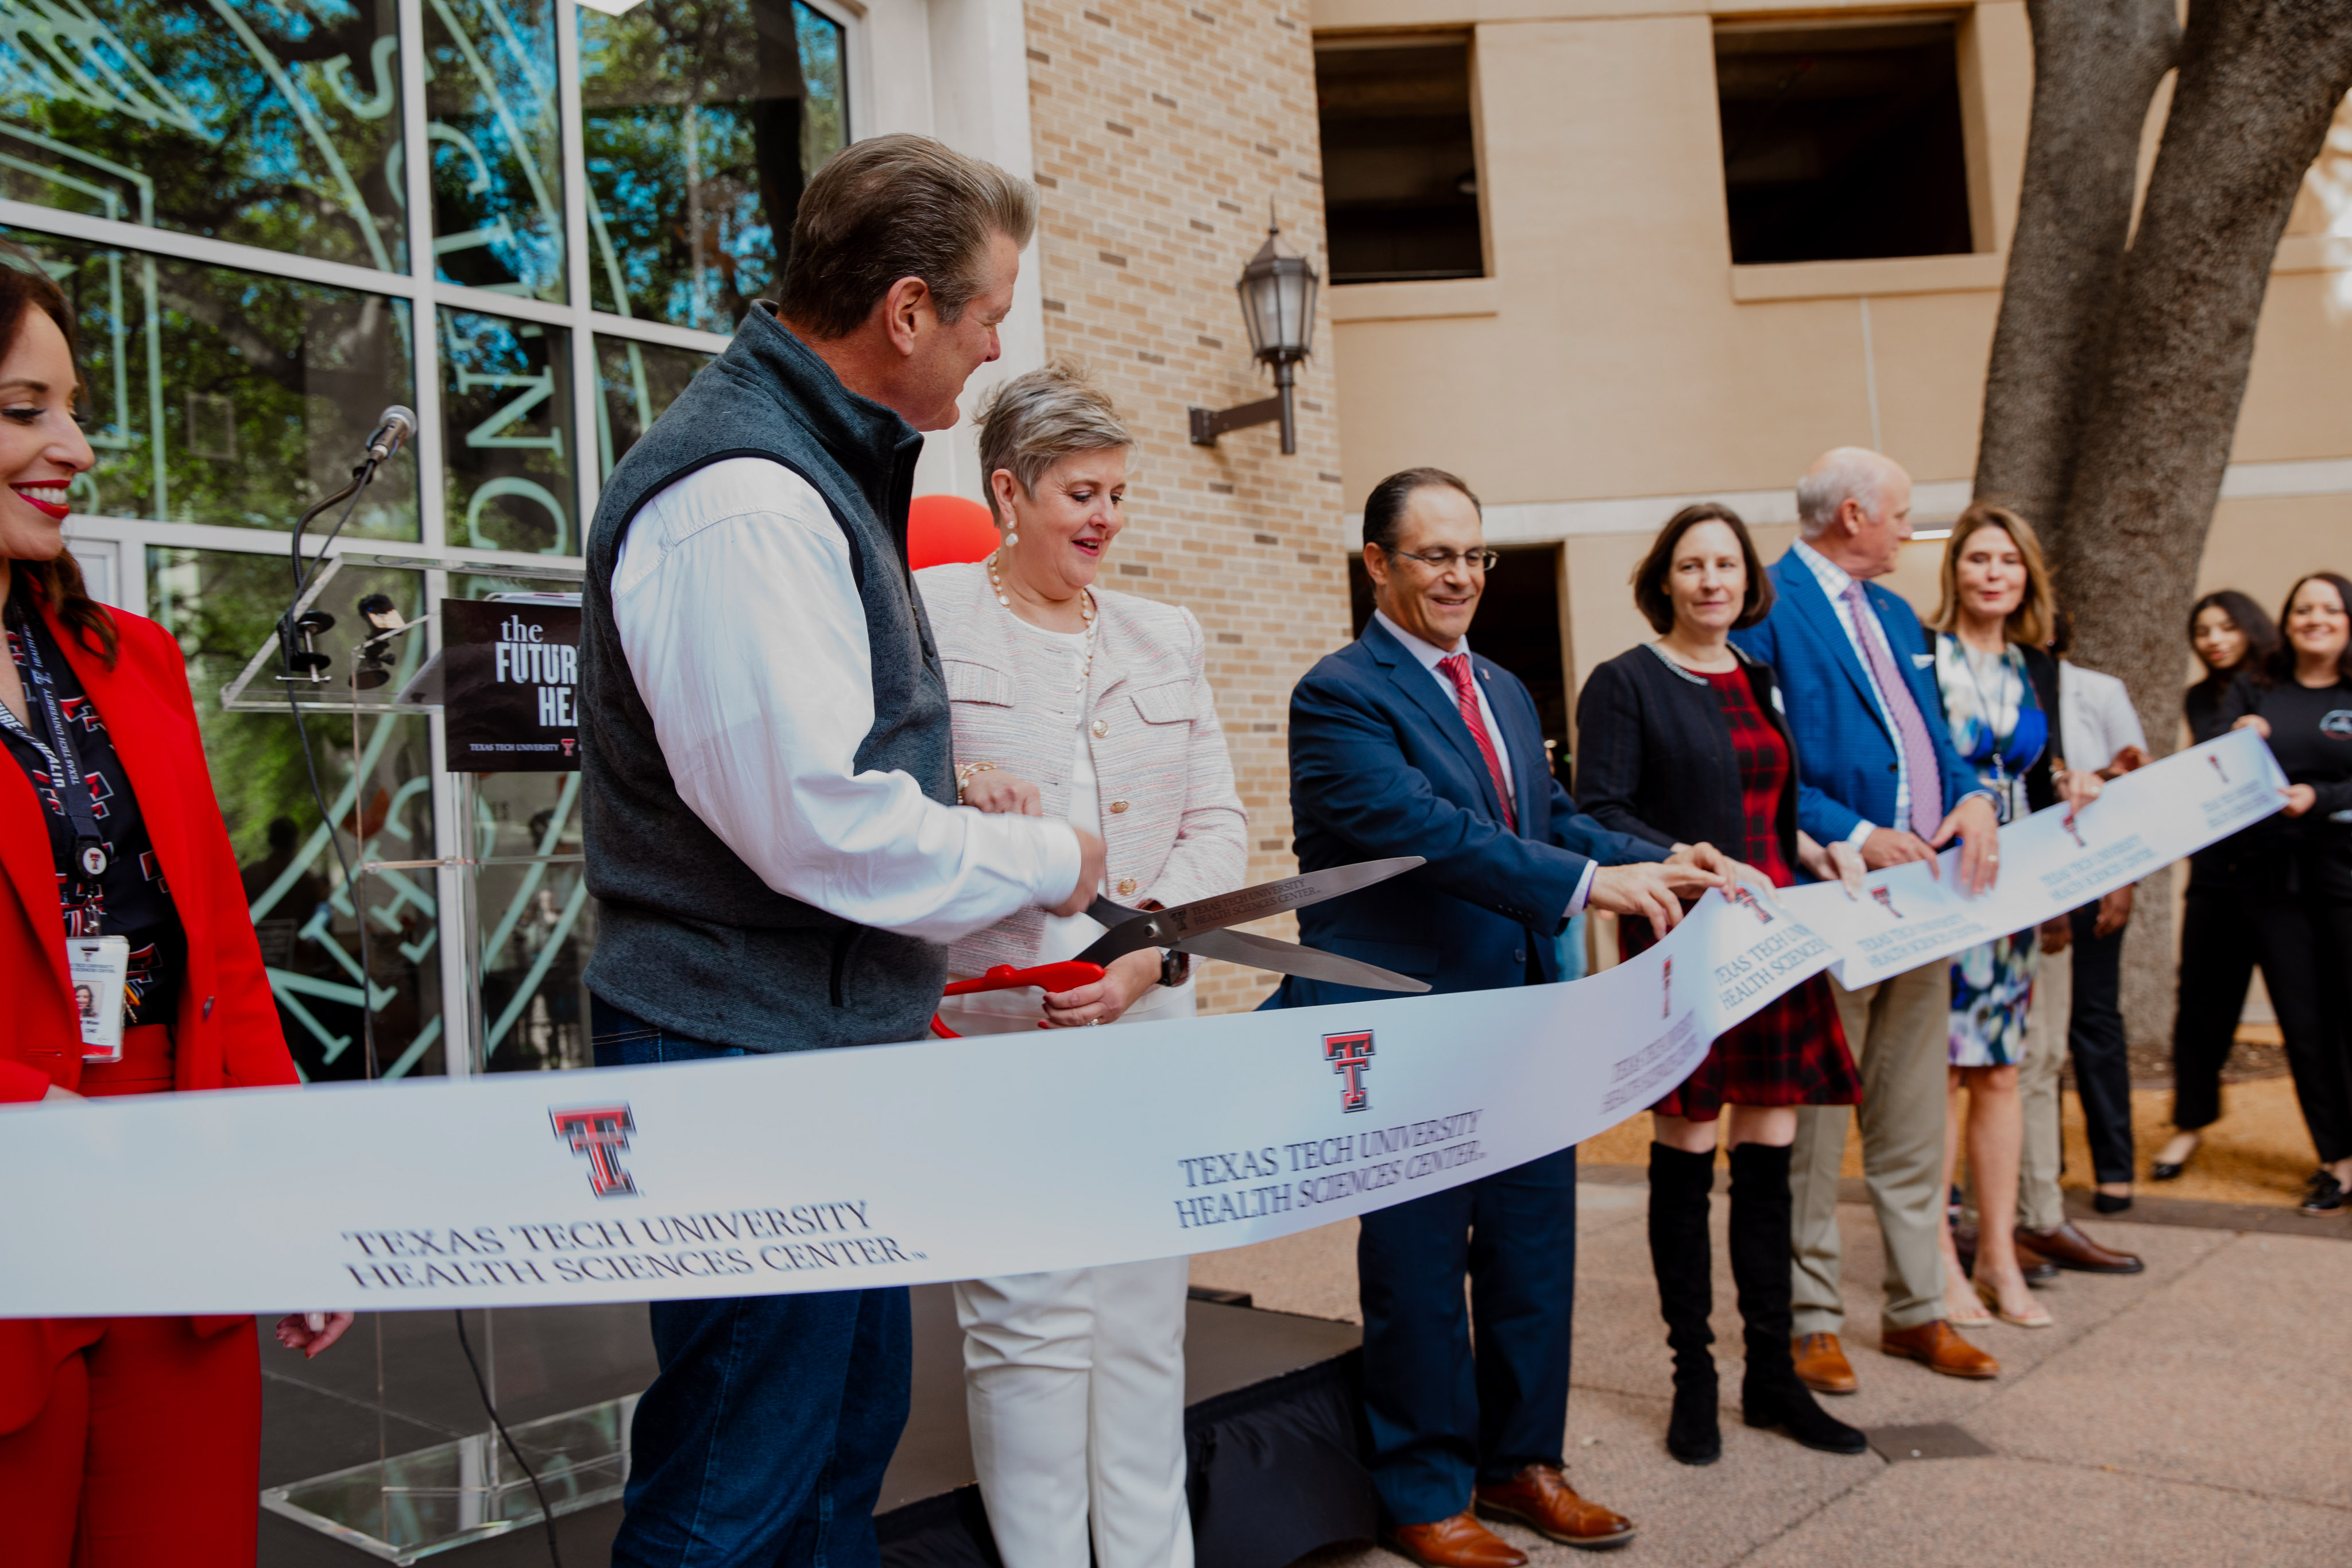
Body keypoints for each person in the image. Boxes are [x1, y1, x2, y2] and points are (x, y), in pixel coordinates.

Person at [576, 136, 1107, 1568]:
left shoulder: (814, 464)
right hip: (742, 1055)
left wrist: (948, 790)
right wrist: (1049, 858)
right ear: (909, 310)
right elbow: (810, 822)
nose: (999, 347)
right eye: (990, 313)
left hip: (810, 1051)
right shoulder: (744, 494)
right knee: (734, 1487)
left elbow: (827, 779)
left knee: (834, 1456)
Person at [1279, 466, 1725, 1568]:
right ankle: (1424, 1491)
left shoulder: (1508, 691)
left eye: (1474, 555)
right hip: (1413, 1025)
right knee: (1421, 1264)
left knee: (1533, 1250)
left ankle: (1523, 1462)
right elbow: (1424, 827)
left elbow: (1552, 815)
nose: (1460, 577)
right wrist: (1584, 889)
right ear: (1377, 564)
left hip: (1527, 1015)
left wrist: (1658, 859)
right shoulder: (1338, 695)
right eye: (1435, 555)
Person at [0, 260, 350, 1566]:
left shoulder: (127, 656)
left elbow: (224, 959)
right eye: (24, 409)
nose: (72, 447)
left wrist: (284, 1196)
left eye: (74, 408)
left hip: (170, 1195)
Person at [920, 363, 1247, 1568]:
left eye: (1115, 493)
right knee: (1025, 1316)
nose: (1104, 517)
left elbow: (1221, 828)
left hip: (1145, 1002)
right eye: (1078, 492)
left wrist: (1146, 953)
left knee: (1141, 1316)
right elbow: (871, 795)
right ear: (1008, 490)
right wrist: (958, 789)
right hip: (995, 1018)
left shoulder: (1166, 635)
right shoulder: (925, 616)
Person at [1573, 502, 1868, 1466]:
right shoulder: (1624, 682)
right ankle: (1693, 1379)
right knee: (1688, 1160)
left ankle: (1772, 1378)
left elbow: (1774, 815)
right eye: (1693, 565)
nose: (1711, 581)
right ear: (1666, 578)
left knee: (1771, 1168)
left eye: (1726, 566)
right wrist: (1684, 862)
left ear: (1748, 581)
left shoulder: (1761, 676)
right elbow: (1597, 811)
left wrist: (1823, 852)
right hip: (1685, 947)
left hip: (1773, 947)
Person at [1728, 448, 2005, 1392]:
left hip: (1921, 906)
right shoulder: (1761, 607)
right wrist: (1852, 831)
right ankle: (1810, 1319)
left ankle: (1917, 1310)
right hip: (1829, 900)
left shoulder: (1896, 614)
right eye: (1901, 515)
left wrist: (1971, 802)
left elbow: (1932, 739)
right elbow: (1752, 764)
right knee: (1809, 1127)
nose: (1908, 529)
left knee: (1912, 1116)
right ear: (1853, 514)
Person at [1923, 504, 2100, 1331]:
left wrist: (2069, 783)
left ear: (2027, 576)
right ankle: (1939, 1258)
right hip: (1941, 888)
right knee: (1942, 1077)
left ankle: (1999, 1251)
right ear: (1954, 568)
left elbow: (2036, 767)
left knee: (2000, 1071)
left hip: (2014, 894)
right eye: (1979, 558)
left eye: (2010, 561)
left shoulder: (2035, 666)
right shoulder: (1924, 655)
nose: (1995, 572)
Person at [1965, 606, 2145, 1286]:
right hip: (1975, 892)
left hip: (2057, 887)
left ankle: (2038, 1215)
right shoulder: (1952, 684)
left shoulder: (2076, 688)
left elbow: (2111, 786)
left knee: (2038, 1055)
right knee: (1973, 1065)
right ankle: (1972, 1223)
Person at [2222, 571, 2352, 1215]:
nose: (2315, 618)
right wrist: (2242, 739)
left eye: (2330, 608)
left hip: (2345, 875)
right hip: (2273, 879)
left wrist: (2321, 798)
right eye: (2303, 608)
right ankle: (2337, 1160)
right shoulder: (2256, 690)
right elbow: (2216, 769)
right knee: (2303, 1025)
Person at [2152, 590, 2281, 1182]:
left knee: (2309, 1017)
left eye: (2226, 626)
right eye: (2202, 630)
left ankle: (2336, 1147)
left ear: (2252, 628)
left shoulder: (2286, 686)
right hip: (2214, 876)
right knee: (2199, 1009)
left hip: (2284, 877)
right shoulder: (2198, 698)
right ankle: (2188, 1125)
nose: (2214, 639)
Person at [2049, 608, 2149, 1214]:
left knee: (2093, 1020)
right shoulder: (1980, 692)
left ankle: (2114, 1165)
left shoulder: (2098, 690)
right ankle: (2042, 1167)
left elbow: (2134, 783)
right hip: (2011, 886)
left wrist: (2122, 878)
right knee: (2029, 1040)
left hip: (2094, 875)